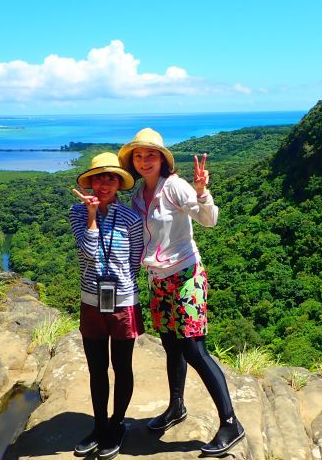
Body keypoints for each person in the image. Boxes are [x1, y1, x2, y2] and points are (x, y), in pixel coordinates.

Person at [117, 128, 245, 457]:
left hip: (186, 275)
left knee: (194, 349)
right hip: (158, 280)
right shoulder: (137, 196)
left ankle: (230, 422)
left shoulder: (174, 186)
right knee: (171, 347)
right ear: (133, 161)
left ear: (162, 159)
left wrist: (202, 192)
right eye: (138, 156)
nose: (144, 161)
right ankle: (176, 408)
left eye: (151, 155)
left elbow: (209, 220)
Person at [70, 152, 145, 460]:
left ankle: (116, 424)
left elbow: (135, 260)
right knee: (96, 368)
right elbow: (88, 253)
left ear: (119, 183)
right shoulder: (77, 212)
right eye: (99, 177)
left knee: (122, 367)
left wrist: (119, 282)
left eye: (111, 177)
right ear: (90, 181)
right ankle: (99, 425)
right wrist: (90, 216)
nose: (105, 183)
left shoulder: (131, 218)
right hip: (91, 299)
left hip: (123, 300)